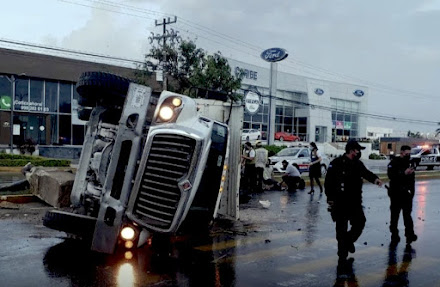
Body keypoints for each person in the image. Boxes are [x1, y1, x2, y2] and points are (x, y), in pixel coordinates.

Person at [324, 138, 383, 263]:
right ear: (351, 151)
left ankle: (349, 240)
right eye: (357, 150)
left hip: (355, 202)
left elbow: (366, 173)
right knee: (341, 228)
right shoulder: (336, 163)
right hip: (339, 202)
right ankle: (342, 254)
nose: (358, 153)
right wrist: (329, 198)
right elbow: (328, 182)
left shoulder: (358, 164)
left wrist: (376, 180)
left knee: (360, 223)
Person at [386, 145, 417, 244]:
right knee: (395, 216)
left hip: (406, 194)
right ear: (402, 152)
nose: (408, 155)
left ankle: (410, 235)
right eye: (406, 153)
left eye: (409, 153)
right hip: (396, 193)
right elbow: (391, 175)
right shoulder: (394, 162)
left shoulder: (410, 163)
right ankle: (394, 234)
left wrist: (412, 192)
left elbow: (412, 179)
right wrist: (403, 173)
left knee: (407, 216)